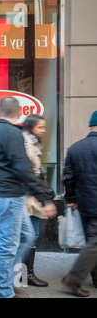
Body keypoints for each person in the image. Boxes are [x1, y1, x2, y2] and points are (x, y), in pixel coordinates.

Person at [0, 96, 57, 298]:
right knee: (8, 245)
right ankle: (3, 291)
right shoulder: (13, 133)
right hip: (9, 195)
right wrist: (45, 198)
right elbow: (23, 168)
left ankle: (2, 278)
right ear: (18, 112)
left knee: (27, 236)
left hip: (0, 193)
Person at [61, 110, 97, 297]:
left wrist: (71, 199)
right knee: (94, 243)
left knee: (92, 240)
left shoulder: (75, 148)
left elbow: (68, 177)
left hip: (83, 203)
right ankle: (74, 278)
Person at [22, 114, 50, 287]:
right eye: (40, 127)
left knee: (32, 235)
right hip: (28, 196)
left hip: (33, 195)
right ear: (31, 127)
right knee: (30, 236)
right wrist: (33, 173)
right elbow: (22, 168)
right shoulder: (26, 143)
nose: (44, 130)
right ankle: (26, 275)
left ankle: (24, 274)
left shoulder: (32, 141)